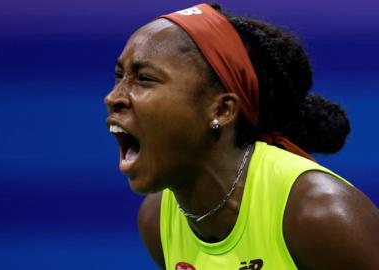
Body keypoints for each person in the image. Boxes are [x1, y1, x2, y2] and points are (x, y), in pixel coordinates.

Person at [104, 3, 379, 269]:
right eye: (119, 76)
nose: (113, 97)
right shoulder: (157, 221)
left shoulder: (319, 214)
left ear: (222, 109)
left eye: (144, 79)